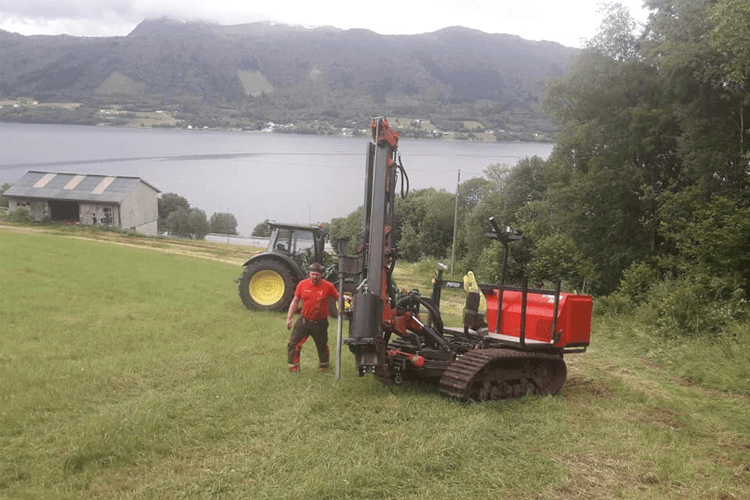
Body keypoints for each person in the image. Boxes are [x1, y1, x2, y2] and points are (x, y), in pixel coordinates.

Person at [286, 262, 339, 373]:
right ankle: (293, 368)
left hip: (320, 323)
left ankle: (324, 366)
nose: (314, 277)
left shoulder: (328, 286)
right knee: (293, 344)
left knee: (322, 346)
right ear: (309, 274)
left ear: (321, 275)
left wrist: (344, 298)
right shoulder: (302, 284)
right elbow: (295, 301)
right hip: (304, 321)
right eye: (312, 274)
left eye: (317, 275)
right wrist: (289, 318)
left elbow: (338, 297)